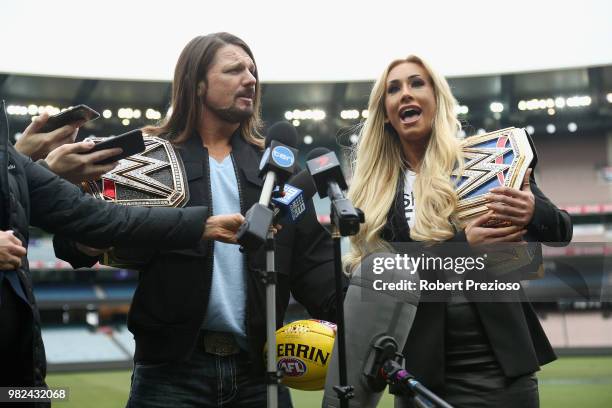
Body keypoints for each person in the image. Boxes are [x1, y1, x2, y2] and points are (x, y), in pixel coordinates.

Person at [55, 32, 338, 408]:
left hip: (261, 373)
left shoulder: (275, 170)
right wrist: (91, 235)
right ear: (198, 84)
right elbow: (74, 245)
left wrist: (366, 307)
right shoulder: (150, 162)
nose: (250, 79)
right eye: (234, 70)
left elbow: (312, 265)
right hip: (170, 373)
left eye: (252, 70)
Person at [345, 55, 572, 408]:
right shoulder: (372, 193)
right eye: (394, 89)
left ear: (437, 99)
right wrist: (463, 247)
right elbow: (386, 281)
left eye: (417, 83)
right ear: (386, 114)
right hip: (420, 372)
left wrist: (533, 211)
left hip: (500, 367)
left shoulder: (488, 160)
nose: (406, 93)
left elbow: (560, 230)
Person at [0, 100, 244, 406]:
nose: (249, 79)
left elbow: (99, 217)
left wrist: (21, 160)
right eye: (234, 70)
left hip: (19, 377)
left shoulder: (11, 158)